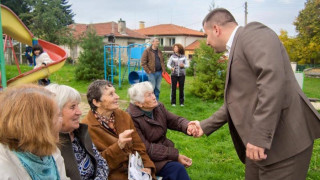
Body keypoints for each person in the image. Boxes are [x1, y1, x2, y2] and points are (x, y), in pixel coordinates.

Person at [189, 8, 320, 180]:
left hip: (285, 144)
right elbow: (236, 100)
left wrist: (259, 137)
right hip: (260, 148)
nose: (206, 42)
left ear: (216, 29)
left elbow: (272, 81)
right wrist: (205, 125)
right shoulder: (238, 47)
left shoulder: (253, 33)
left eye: (206, 35)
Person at [81, 80, 156, 180]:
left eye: (115, 92)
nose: (117, 96)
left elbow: (138, 145)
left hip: (136, 172)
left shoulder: (123, 116)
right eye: (111, 94)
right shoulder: (86, 128)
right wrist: (118, 146)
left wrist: (147, 165)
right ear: (96, 102)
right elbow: (96, 165)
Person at [127, 81, 196, 180]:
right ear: (139, 103)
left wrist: (188, 126)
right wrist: (175, 156)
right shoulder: (131, 118)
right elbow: (146, 148)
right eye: (149, 95)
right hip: (146, 160)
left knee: (176, 169)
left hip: (162, 153)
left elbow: (175, 121)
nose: (154, 97)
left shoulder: (158, 107)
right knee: (177, 169)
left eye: (153, 93)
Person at [0, 84, 69, 179]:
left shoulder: (52, 153)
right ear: (36, 125)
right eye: (58, 115)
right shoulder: (4, 168)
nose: (62, 120)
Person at [45, 84, 109, 180]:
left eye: (78, 106)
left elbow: (101, 163)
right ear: (55, 111)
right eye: (72, 107)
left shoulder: (79, 133)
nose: (79, 112)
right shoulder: (47, 145)